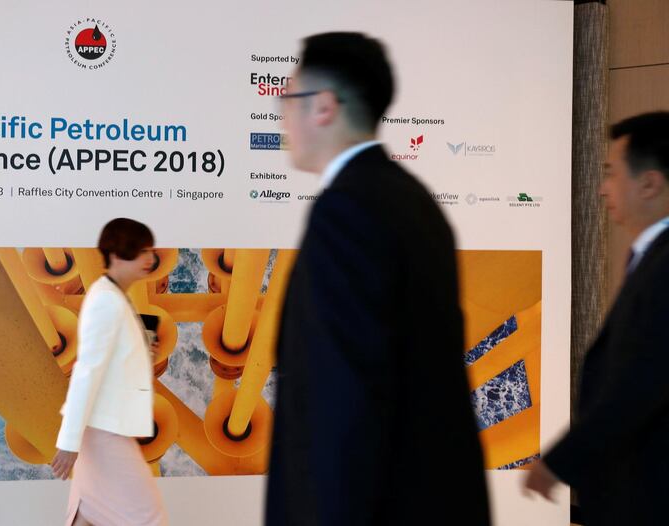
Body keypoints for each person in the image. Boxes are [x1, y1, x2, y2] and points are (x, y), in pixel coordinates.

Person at [265, 32, 490, 525]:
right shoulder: (412, 201)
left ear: (323, 107)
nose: (279, 113)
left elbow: (344, 399)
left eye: (286, 97)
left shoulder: (346, 210)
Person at [525, 112, 669, 525]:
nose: (602, 188)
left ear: (649, 183)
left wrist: (560, 462)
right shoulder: (649, 259)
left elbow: (640, 383)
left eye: (611, 173)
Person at [51, 218, 168, 526]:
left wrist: (142, 352)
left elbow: (108, 362)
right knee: (148, 518)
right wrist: (68, 442)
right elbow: (86, 371)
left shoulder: (114, 297)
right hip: (105, 431)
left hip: (103, 428)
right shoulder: (106, 300)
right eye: (142, 251)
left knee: (88, 516)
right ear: (117, 255)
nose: (150, 259)